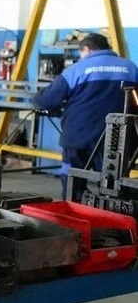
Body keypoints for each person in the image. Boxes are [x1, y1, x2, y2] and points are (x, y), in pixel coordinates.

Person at [33, 33, 138, 197]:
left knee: (73, 182)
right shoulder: (130, 68)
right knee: (113, 185)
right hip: (118, 138)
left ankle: (74, 208)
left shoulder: (77, 69)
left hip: (79, 136)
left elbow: (46, 100)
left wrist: (36, 99)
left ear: (87, 49)